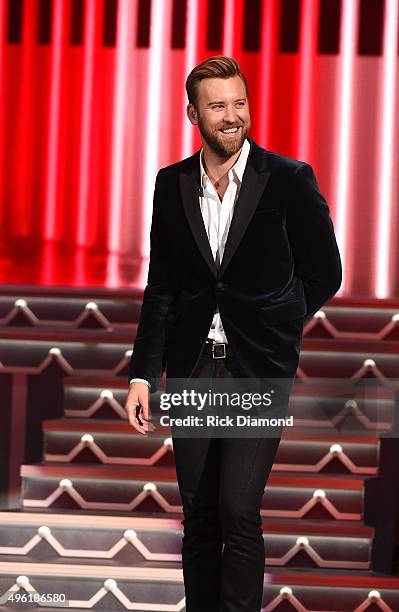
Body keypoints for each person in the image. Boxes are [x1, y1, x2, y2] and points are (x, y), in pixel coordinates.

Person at [124, 56, 342, 612]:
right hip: (194, 366)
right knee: (198, 517)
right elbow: (162, 288)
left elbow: (325, 271)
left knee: (240, 511)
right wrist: (144, 374)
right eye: (218, 106)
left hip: (257, 368)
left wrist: (278, 320)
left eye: (239, 103)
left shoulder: (289, 179)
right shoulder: (170, 184)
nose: (231, 116)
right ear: (193, 113)